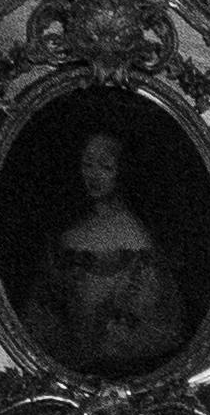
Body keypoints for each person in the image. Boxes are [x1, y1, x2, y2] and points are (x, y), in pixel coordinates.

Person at [18, 126, 195, 378]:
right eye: (88, 164)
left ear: (121, 171)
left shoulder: (135, 234)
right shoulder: (71, 230)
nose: (94, 175)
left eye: (106, 166)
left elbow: (152, 320)